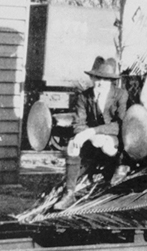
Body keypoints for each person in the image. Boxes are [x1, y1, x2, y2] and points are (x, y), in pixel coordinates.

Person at [54, 57, 129, 210]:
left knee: (107, 146)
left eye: (105, 79)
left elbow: (121, 124)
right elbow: (78, 123)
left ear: (111, 81)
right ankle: (69, 193)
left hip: (114, 138)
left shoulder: (121, 95)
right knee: (72, 145)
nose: (100, 82)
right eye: (97, 78)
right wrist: (91, 136)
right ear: (92, 78)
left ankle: (116, 169)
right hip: (92, 139)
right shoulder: (84, 96)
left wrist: (94, 131)